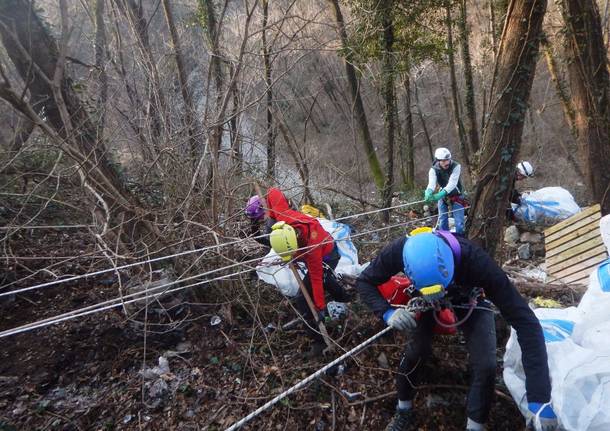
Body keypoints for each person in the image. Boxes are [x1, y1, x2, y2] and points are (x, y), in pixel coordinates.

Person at [356, 231, 557, 431]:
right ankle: (404, 409)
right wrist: (387, 313)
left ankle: (475, 426)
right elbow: (365, 281)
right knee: (417, 350)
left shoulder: (478, 263)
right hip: (424, 298)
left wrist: (539, 398)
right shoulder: (399, 251)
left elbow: (526, 322)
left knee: (486, 364)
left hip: (468, 296)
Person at [266, 188, 350, 354]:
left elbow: (316, 278)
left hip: (327, 254)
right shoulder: (284, 218)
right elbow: (273, 192)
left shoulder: (312, 247)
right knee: (324, 280)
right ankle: (345, 297)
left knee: (304, 299)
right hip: (312, 252)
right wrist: (270, 216)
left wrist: (319, 306)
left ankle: (319, 342)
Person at [424, 148, 467, 235]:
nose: (446, 163)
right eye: (443, 161)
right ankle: (444, 240)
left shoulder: (456, 166)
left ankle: (461, 241)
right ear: (438, 160)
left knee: (459, 224)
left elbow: (452, 183)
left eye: (447, 160)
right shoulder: (433, 170)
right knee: (442, 221)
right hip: (443, 196)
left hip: (457, 195)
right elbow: (431, 184)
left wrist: (440, 194)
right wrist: (428, 192)